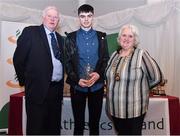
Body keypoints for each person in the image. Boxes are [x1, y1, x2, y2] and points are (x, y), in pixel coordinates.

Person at [13, 6, 64, 135]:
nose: (52, 19)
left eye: (55, 17)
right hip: (36, 91)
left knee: (53, 129)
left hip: (56, 91)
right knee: (36, 128)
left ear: (58, 21)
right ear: (43, 17)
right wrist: (27, 82)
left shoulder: (60, 39)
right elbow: (18, 60)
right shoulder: (31, 32)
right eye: (49, 16)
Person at [105, 24, 163, 135]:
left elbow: (157, 77)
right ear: (119, 38)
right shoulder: (114, 56)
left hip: (134, 110)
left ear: (135, 39)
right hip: (115, 109)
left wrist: (142, 89)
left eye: (130, 36)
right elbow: (108, 79)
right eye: (124, 35)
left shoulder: (141, 54)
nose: (126, 39)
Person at [64, 4, 109, 135]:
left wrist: (99, 75)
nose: (86, 19)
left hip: (97, 86)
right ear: (78, 18)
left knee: (94, 124)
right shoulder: (70, 37)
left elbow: (106, 59)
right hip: (78, 87)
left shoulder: (101, 37)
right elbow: (67, 62)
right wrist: (77, 80)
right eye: (82, 16)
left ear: (93, 17)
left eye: (89, 16)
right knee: (78, 124)